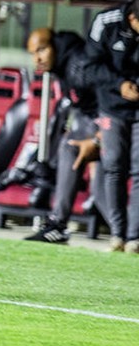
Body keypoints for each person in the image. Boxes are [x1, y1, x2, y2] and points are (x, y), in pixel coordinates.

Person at [22, 27, 107, 244]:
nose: (37, 59)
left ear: (54, 47)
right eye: (33, 53)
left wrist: (98, 138)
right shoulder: (65, 67)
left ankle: (126, 235)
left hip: (116, 126)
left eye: (41, 50)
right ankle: (58, 224)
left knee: (98, 184)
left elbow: (111, 102)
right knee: (69, 147)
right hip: (97, 124)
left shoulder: (78, 66)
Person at [83, 0, 139, 252]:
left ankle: (135, 238)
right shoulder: (105, 22)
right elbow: (90, 67)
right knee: (114, 166)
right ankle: (117, 234)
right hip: (112, 107)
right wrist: (119, 85)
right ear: (132, 19)